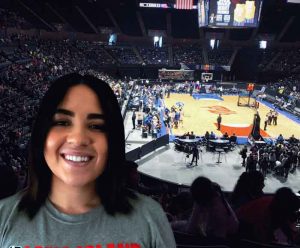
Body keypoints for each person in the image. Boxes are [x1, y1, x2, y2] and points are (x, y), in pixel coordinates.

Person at [0, 73, 176, 247]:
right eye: (62, 122)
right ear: (42, 134)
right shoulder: (4, 217)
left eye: (96, 126)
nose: (78, 139)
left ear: (112, 140)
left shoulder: (150, 218)